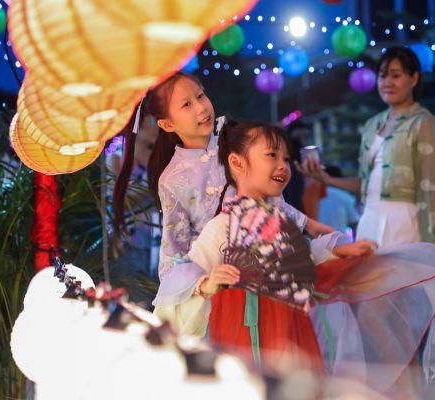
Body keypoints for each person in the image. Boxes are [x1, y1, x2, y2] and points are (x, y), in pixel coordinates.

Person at [152, 119, 435, 395]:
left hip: (293, 326)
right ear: (237, 162)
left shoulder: (280, 219)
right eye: (271, 155)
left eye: (286, 158)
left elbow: (298, 258)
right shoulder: (222, 226)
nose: (283, 166)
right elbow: (181, 277)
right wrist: (207, 283)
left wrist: (335, 250)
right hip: (245, 332)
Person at [111, 72, 333, 282]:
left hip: (274, 263)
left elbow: (271, 202)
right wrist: (203, 283)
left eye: (200, 96)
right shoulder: (173, 179)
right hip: (225, 281)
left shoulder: (238, 143)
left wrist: (308, 224)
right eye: (187, 104)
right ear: (167, 124)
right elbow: (175, 251)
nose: (201, 108)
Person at [300, 46, 435, 250]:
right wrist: (327, 179)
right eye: (382, 76)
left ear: (414, 79)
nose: (388, 83)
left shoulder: (423, 123)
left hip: (405, 222)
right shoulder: (372, 125)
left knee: (402, 272)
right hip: (369, 220)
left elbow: (430, 189)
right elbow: (366, 183)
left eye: (396, 76)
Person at [110, 103, 160, 302]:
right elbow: (122, 197)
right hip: (128, 243)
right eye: (152, 122)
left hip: (157, 242)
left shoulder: (158, 159)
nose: (157, 128)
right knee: (133, 303)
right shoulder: (116, 159)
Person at [318, 165, 360, 234]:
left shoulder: (316, 195)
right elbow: (354, 224)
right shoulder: (345, 196)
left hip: (316, 239)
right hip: (339, 239)